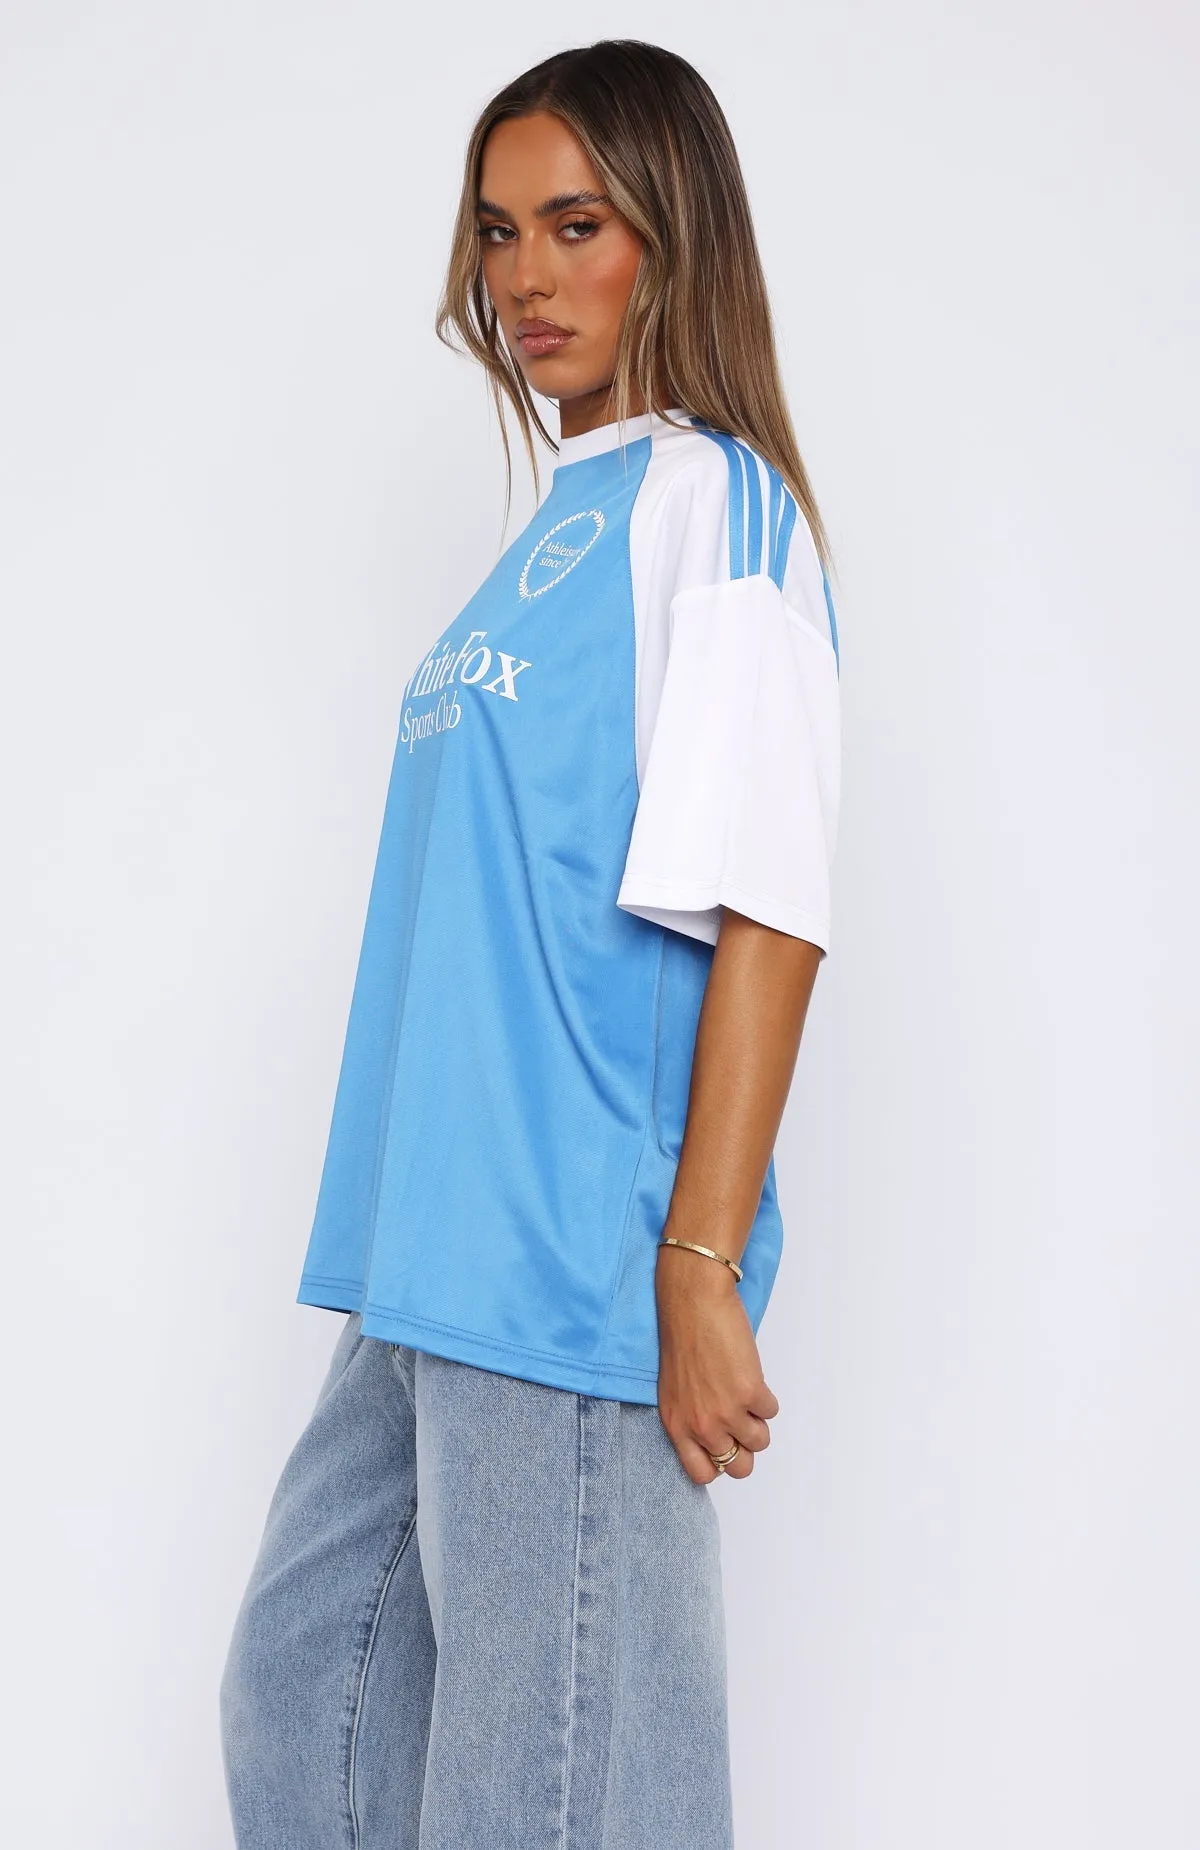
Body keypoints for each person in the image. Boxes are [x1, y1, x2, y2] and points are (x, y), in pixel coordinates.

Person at [219, 37, 842, 1850]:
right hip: (427, 1255)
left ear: (671, 232)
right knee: (302, 1697)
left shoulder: (715, 503)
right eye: (499, 234)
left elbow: (770, 900)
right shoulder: (567, 517)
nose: (525, 276)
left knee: (539, 1800)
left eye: (576, 225)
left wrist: (699, 1260)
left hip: (567, 1256)